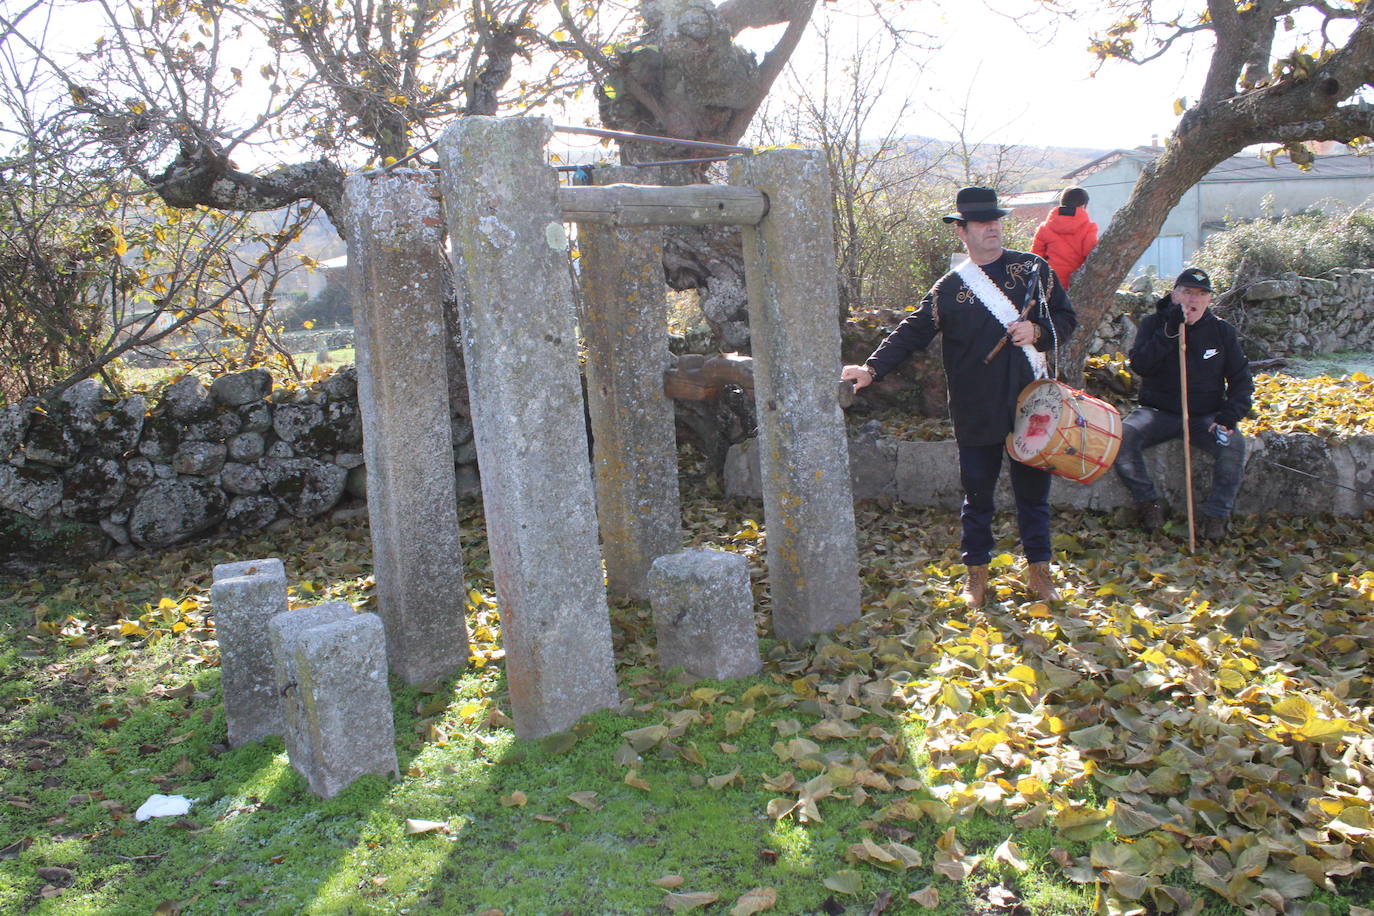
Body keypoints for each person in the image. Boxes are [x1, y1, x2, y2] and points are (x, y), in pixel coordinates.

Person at [842, 186, 1077, 607]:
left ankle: (1040, 574)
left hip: (1032, 400)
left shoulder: (1033, 269)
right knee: (978, 495)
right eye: (983, 223)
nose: (994, 228)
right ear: (962, 232)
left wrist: (1038, 332)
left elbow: (1066, 318)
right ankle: (976, 578)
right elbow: (911, 332)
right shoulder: (949, 289)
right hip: (975, 405)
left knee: (1033, 494)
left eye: (997, 220)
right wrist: (871, 368)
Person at [1113, 267, 1252, 540]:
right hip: (1157, 412)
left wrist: (1228, 416)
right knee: (1122, 437)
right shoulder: (1154, 324)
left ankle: (1216, 517)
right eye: (1187, 292)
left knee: (1234, 445)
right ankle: (1148, 504)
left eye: (1201, 294)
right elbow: (1140, 365)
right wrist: (1168, 333)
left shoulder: (1222, 331)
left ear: (1209, 300)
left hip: (1206, 416)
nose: (1193, 299)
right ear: (1175, 294)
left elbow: (1242, 381)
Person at [1030, 186, 1098, 290]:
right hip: (1074, 284)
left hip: (1048, 283)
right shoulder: (1089, 228)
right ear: (1084, 205)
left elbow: (1035, 257)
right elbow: (1090, 255)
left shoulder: (1044, 227)